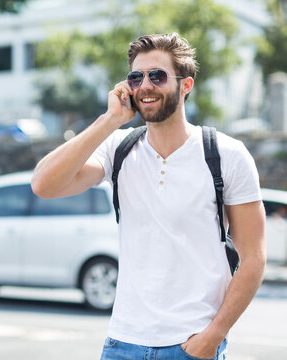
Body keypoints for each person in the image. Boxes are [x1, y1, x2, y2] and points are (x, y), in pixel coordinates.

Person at [31, 33, 266, 359]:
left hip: (192, 346)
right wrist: (110, 120)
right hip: (122, 343)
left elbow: (253, 259)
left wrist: (213, 336)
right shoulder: (119, 148)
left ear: (186, 85)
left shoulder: (226, 155)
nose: (145, 85)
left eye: (157, 75)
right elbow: (44, 184)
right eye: (136, 77)